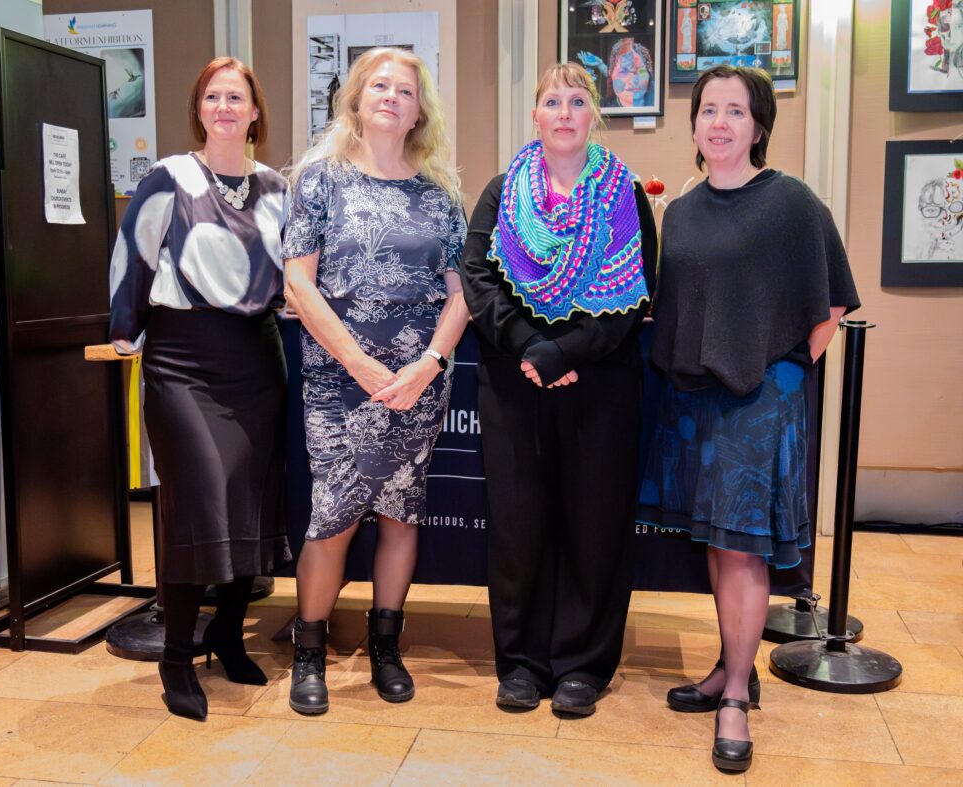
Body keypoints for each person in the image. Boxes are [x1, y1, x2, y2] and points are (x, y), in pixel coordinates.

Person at [637, 65, 860, 772]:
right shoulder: (685, 211)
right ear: (696, 124)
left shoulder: (792, 203)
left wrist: (785, 379)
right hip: (697, 403)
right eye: (708, 110)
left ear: (758, 125)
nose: (720, 122)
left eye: (736, 111)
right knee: (720, 544)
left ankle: (735, 691)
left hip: (759, 405)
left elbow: (830, 306)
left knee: (744, 549)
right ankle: (731, 664)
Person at [460, 63, 656, 717]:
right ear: (536, 115)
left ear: (593, 114)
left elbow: (636, 297)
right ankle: (520, 662)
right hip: (515, 386)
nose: (565, 111)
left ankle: (582, 665)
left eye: (577, 100)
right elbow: (476, 276)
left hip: (598, 387)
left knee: (594, 528)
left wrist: (564, 350)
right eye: (552, 100)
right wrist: (526, 346)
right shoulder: (499, 193)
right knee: (518, 527)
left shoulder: (626, 193)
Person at [282, 47, 469, 715]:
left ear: (421, 109)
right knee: (332, 516)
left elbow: (461, 292)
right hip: (337, 377)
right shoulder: (318, 179)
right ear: (357, 99)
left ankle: (385, 644)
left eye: (406, 89)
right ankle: (309, 649)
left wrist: (429, 365)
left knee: (400, 511)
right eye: (379, 86)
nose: (392, 96)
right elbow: (298, 282)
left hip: (418, 381)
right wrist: (360, 364)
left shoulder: (441, 191)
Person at [108, 56, 290, 721]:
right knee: (199, 501)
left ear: (254, 111)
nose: (223, 107)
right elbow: (132, 256)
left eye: (235, 97)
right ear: (199, 109)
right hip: (181, 362)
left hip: (256, 360)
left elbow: (294, 277)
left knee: (248, 502)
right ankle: (176, 657)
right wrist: (124, 332)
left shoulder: (277, 187)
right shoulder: (169, 178)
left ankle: (226, 631)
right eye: (212, 96)